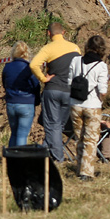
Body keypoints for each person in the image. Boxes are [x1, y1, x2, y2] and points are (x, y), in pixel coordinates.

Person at [29, 22, 81, 163]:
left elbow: (33, 64)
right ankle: (43, 154)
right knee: (59, 126)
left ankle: (58, 159)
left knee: (53, 126)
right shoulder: (75, 48)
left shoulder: (48, 48)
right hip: (69, 91)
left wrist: (43, 78)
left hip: (53, 90)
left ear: (48, 33)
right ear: (64, 32)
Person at [69, 35, 108, 181]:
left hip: (75, 105)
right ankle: (86, 172)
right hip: (92, 106)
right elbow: (103, 91)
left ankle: (79, 167)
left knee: (79, 138)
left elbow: (69, 82)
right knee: (90, 140)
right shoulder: (101, 66)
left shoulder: (75, 60)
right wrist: (101, 100)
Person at [1, 41, 40, 147]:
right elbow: (36, 85)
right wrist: (37, 101)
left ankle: (11, 155)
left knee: (13, 134)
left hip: (11, 103)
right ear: (27, 53)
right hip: (26, 103)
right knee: (22, 135)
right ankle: (20, 156)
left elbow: (5, 84)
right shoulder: (29, 68)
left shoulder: (7, 67)